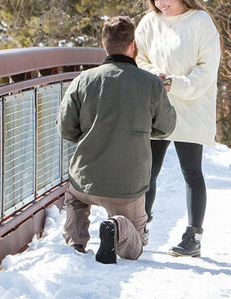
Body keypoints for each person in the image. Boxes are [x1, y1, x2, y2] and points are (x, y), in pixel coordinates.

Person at [59, 16, 177, 264]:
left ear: (104, 45)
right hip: (128, 187)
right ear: (133, 45)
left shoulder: (83, 80)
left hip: (86, 180)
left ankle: (76, 242)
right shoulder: (151, 84)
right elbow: (166, 127)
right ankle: (118, 227)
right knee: (135, 246)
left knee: (74, 199)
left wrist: (92, 134)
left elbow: (66, 129)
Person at [135, 0, 221, 258]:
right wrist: (154, 77)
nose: (161, 4)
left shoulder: (200, 21)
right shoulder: (149, 23)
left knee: (192, 172)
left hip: (191, 106)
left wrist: (175, 83)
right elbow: (139, 58)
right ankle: (139, 227)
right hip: (158, 107)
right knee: (148, 171)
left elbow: (207, 67)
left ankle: (193, 236)